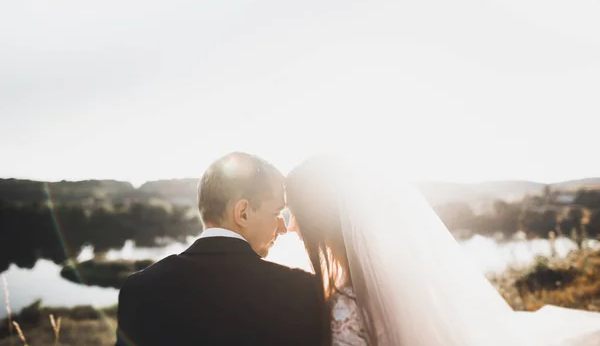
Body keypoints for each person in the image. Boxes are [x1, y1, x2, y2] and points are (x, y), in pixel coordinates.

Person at [284, 155, 600, 346]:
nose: (291, 226)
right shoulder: (410, 281)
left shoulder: (344, 306)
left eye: (294, 210)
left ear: (320, 218)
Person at [115, 152, 325, 346]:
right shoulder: (299, 291)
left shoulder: (138, 288)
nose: (283, 227)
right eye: (276, 213)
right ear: (243, 212)